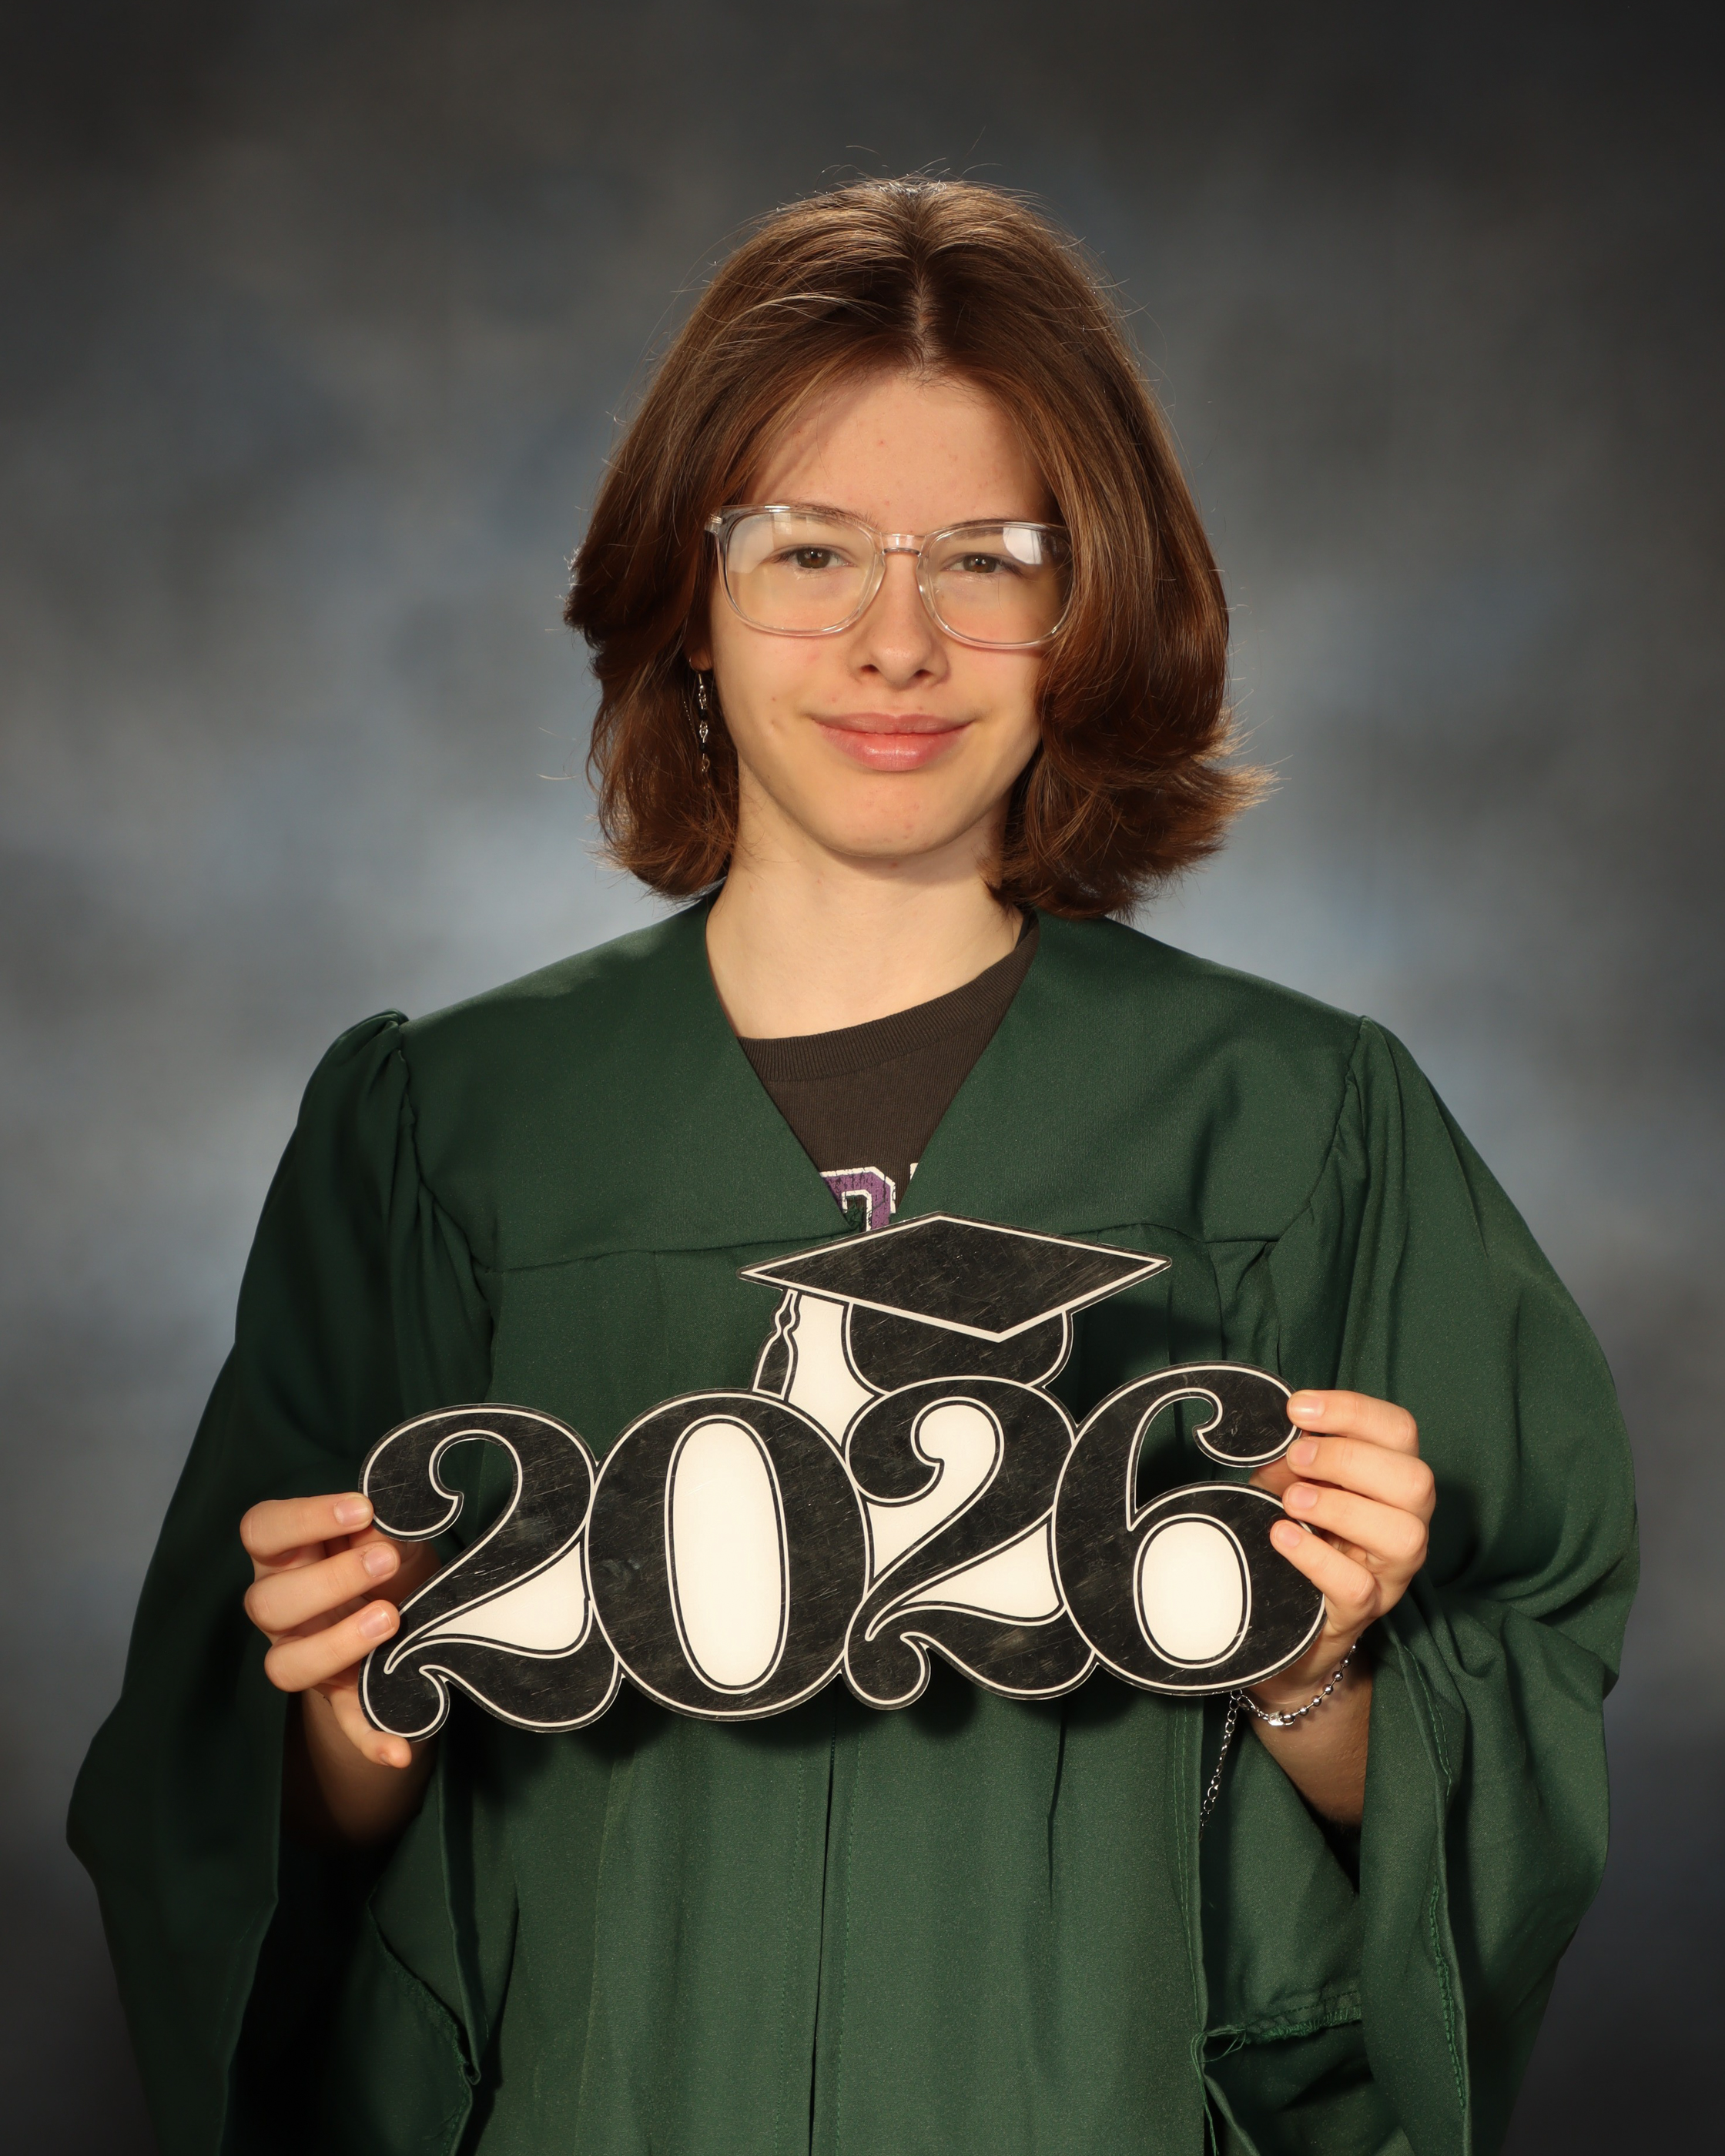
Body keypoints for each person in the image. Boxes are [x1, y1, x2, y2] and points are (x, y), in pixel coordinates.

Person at [70, 179, 1636, 2156]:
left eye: (989, 560)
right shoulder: (445, 1136)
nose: (897, 641)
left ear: (1086, 615)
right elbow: (223, 1828)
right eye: (806, 550)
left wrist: (1321, 1668)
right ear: (687, 600)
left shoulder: (1297, 1127)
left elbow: (1509, 1745)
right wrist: (351, 1709)